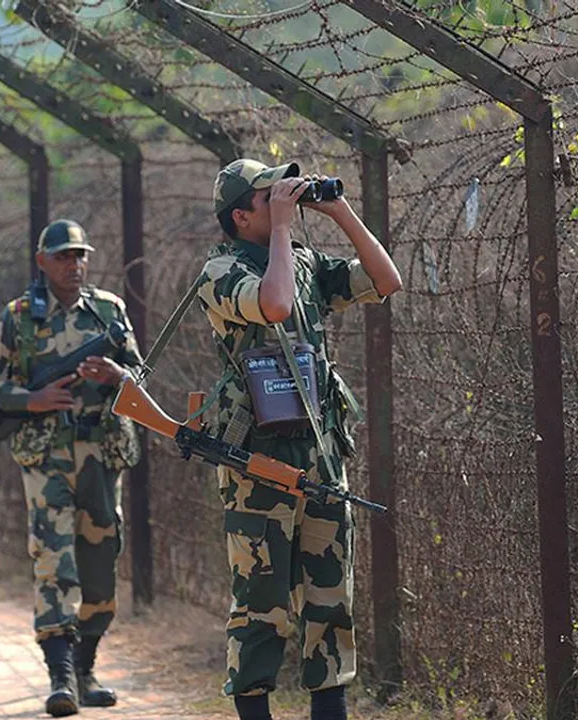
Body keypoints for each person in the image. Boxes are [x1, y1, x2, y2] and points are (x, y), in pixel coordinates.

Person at [195, 159, 402, 720]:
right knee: (262, 604)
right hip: (257, 461)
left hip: (320, 455)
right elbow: (274, 304)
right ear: (240, 216)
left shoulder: (304, 261)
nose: (282, 199)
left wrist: (338, 211)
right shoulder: (220, 270)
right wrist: (284, 230)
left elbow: (385, 280)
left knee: (330, 599)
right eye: (268, 197)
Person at [0, 220, 144, 717]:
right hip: (48, 460)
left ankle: (86, 667)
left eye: (80, 255)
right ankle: (61, 676)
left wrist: (118, 375)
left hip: (102, 455)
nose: (74, 264)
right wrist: (32, 398)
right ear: (42, 262)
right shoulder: (19, 318)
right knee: (53, 562)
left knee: (101, 566)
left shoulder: (109, 311)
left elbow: (141, 377)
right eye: (63, 256)